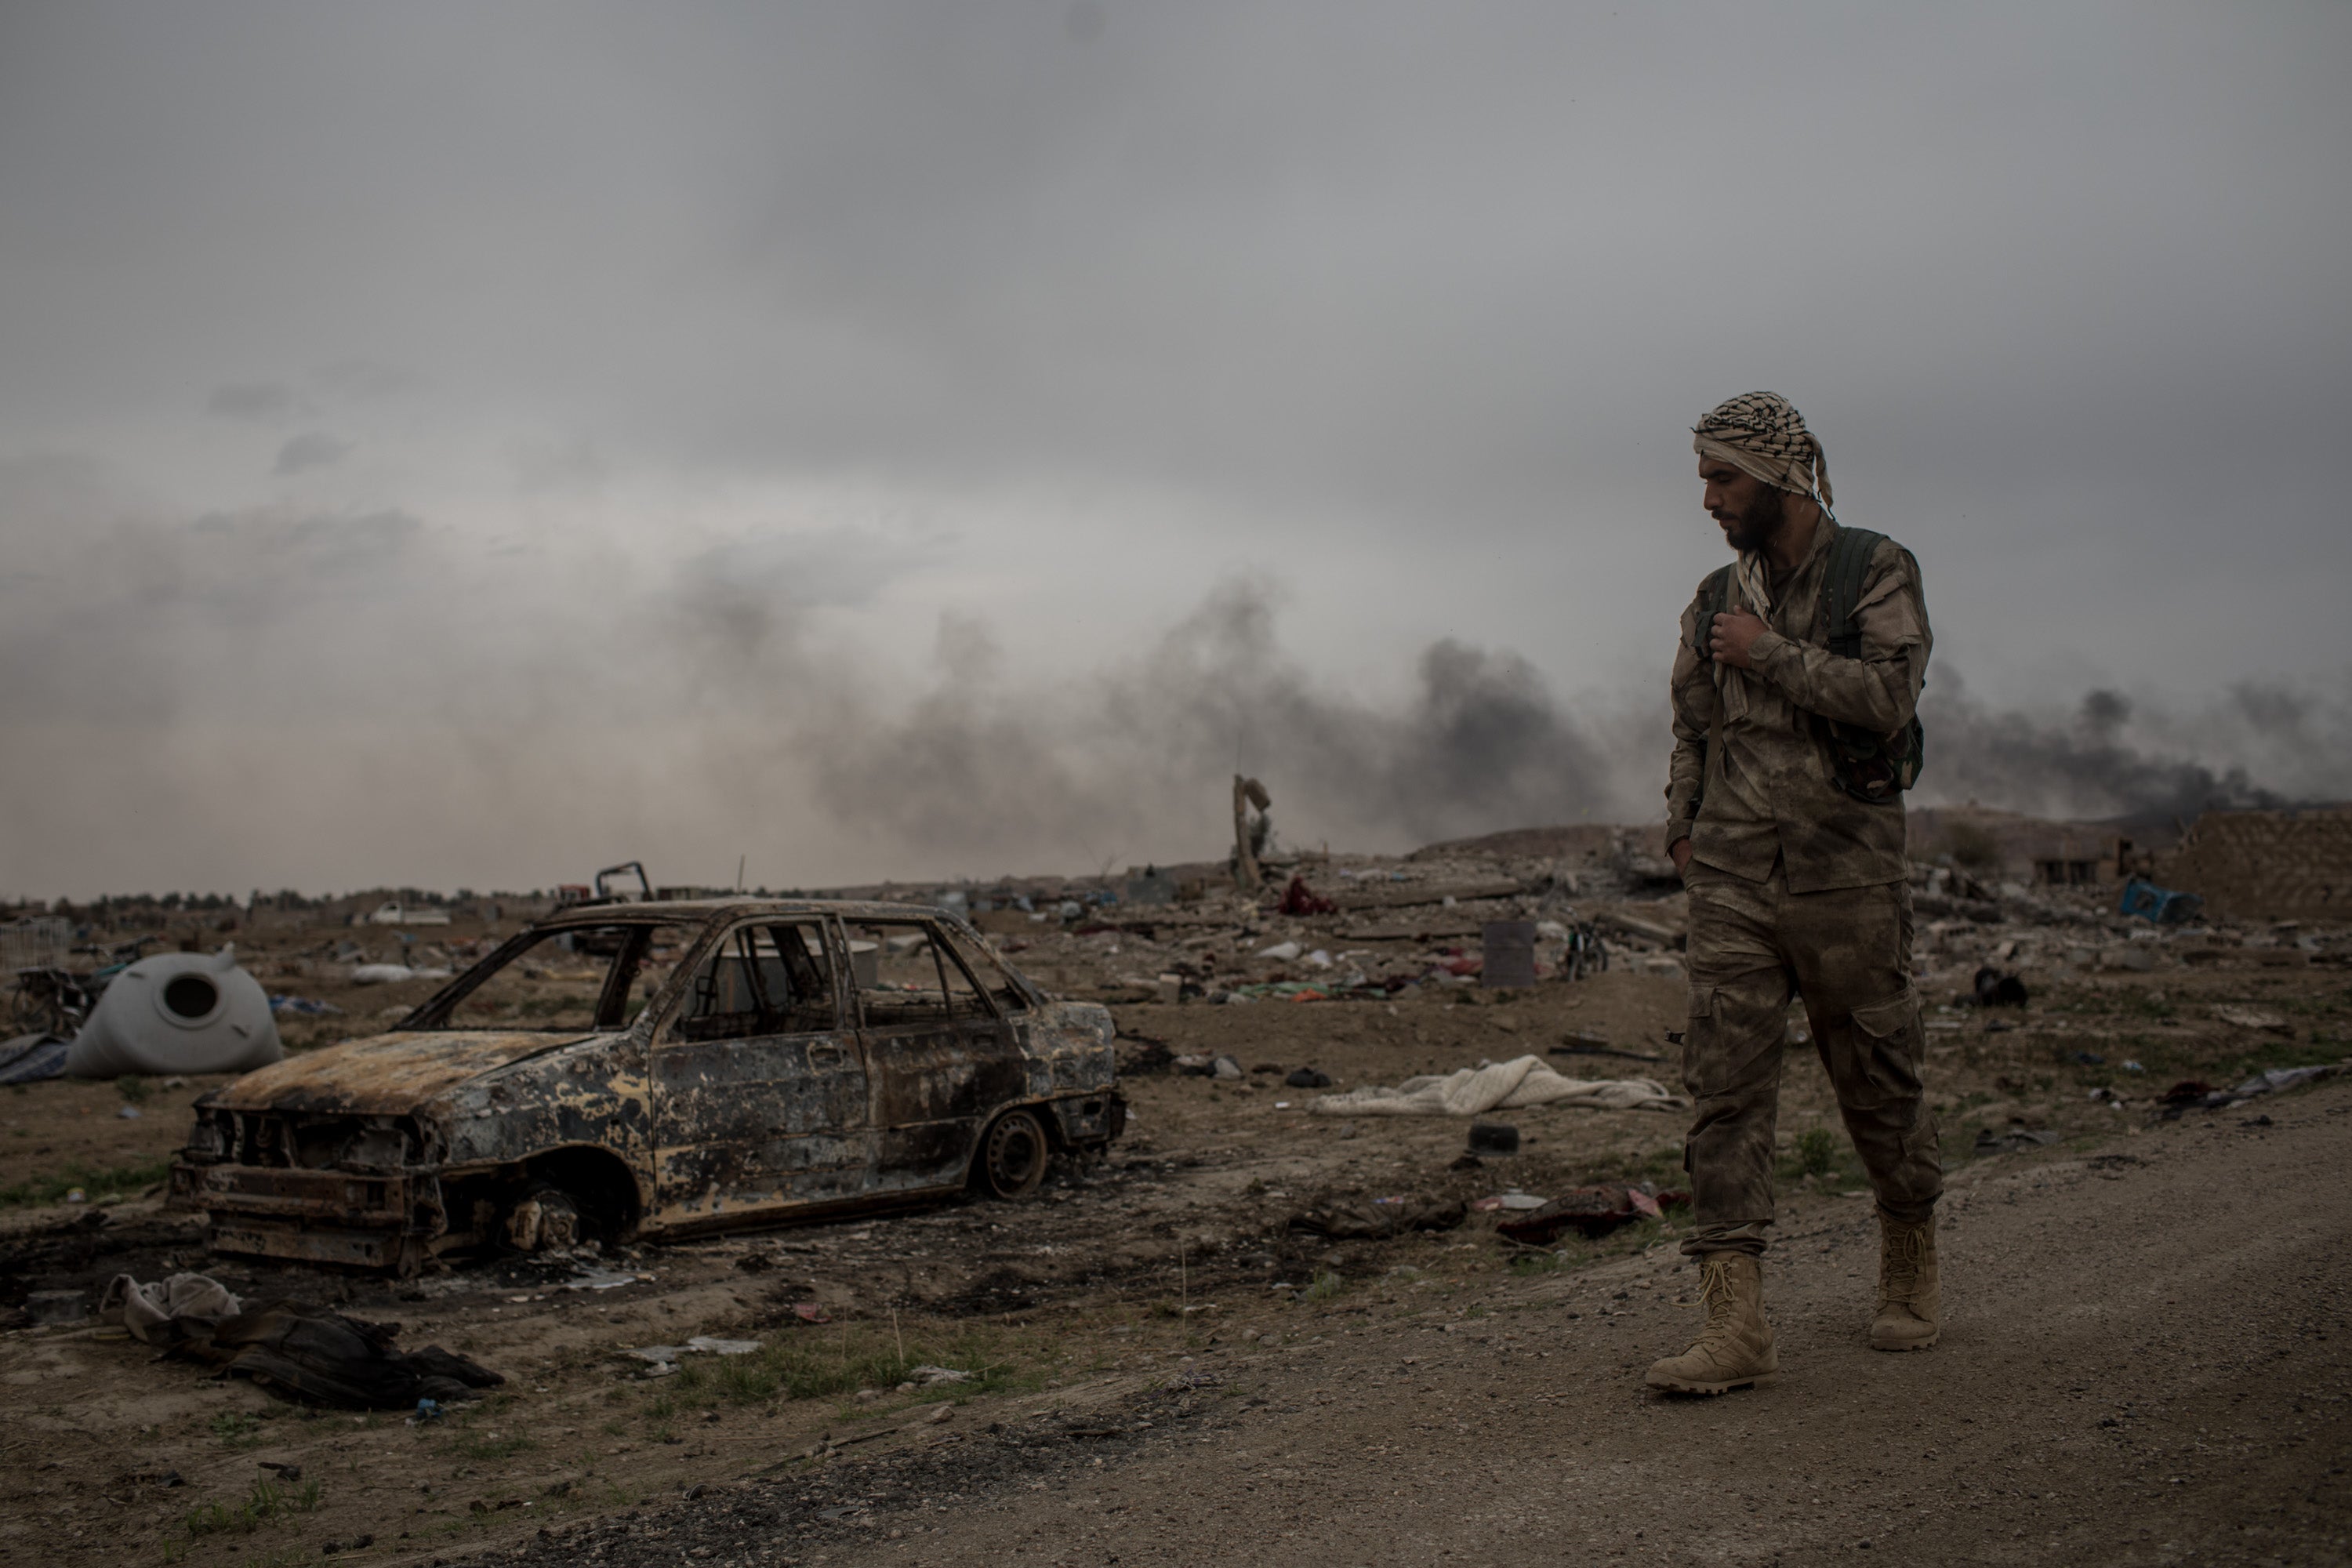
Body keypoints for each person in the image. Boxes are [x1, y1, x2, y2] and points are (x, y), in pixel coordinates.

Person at [1646, 391, 1941, 1396]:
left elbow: (1888, 696)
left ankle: (1908, 1253)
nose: (1709, 499)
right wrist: (1685, 827)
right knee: (1722, 1089)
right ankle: (1736, 1322)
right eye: (1703, 478)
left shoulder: (1875, 569)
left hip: (1846, 871)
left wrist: (1767, 653)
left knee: (1876, 1075)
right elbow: (1690, 725)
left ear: (1779, 478)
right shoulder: (1711, 597)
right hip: (1733, 875)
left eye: (1722, 478)